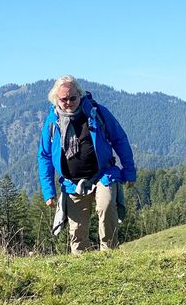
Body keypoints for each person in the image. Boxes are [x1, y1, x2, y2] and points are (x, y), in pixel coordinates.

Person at [37, 75, 136, 254]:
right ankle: (80, 266)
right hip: (71, 183)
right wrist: (48, 191)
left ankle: (110, 255)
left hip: (103, 174)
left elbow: (119, 139)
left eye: (73, 98)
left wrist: (129, 171)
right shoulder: (52, 122)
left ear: (80, 95)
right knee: (77, 231)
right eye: (64, 99)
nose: (69, 102)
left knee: (106, 208)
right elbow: (44, 156)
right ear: (56, 99)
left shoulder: (97, 112)